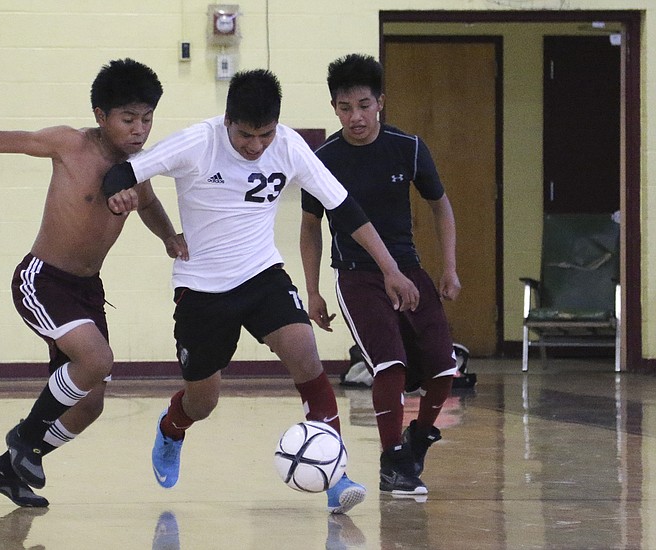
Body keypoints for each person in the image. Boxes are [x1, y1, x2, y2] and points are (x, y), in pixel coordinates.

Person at [103, 68, 420, 514]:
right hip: (202, 289)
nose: (256, 146)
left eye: (265, 135)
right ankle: (172, 429)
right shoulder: (197, 143)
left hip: (262, 276)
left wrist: (390, 268)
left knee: (306, 356)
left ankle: (335, 474)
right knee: (203, 400)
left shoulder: (289, 146)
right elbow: (122, 173)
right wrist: (121, 196)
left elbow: (345, 207)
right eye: (246, 136)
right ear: (227, 120)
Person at [0, 59, 187, 508]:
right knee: (97, 359)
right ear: (101, 116)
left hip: (87, 291)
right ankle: (24, 437)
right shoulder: (69, 144)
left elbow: (149, 203)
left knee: (90, 404)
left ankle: (8, 466)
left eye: (147, 119)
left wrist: (169, 237)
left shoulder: (139, 167)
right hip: (42, 280)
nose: (139, 130)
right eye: (128, 119)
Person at [299, 53, 461, 497]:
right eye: (346, 108)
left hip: (409, 271)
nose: (356, 117)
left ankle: (420, 436)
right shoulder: (322, 158)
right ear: (334, 108)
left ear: (381, 103)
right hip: (357, 276)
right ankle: (393, 462)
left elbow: (440, 205)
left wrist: (448, 267)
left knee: (445, 367)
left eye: (365, 105)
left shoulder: (408, 147)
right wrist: (312, 290)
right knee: (390, 365)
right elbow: (310, 227)